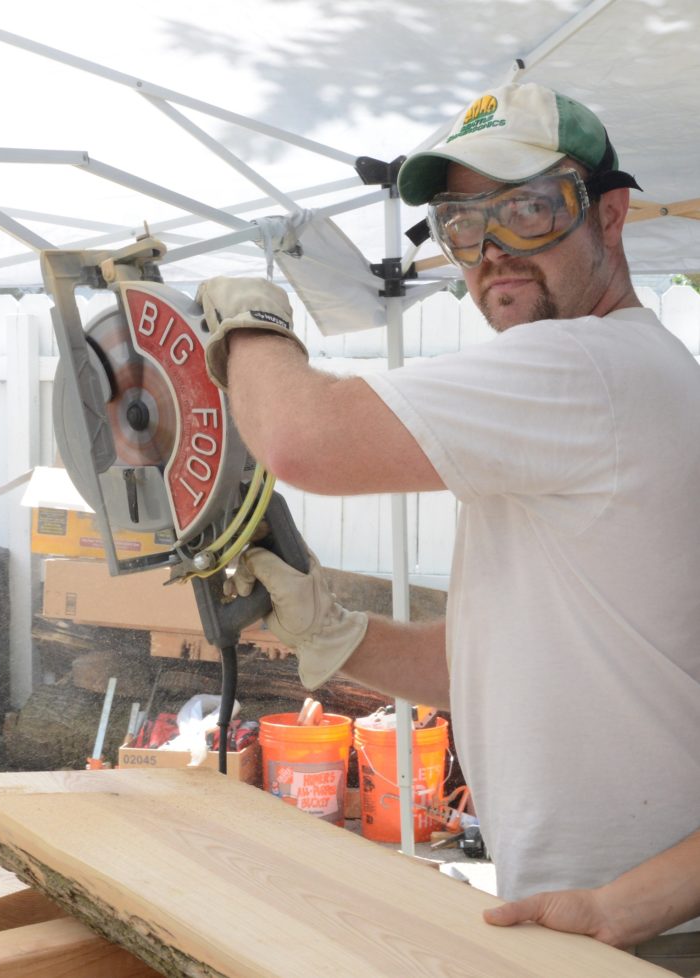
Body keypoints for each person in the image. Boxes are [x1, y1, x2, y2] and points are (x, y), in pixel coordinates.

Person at [194, 82, 700, 975]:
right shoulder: (621, 382)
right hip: (602, 921)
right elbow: (485, 666)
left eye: (529, 210)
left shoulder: (588, 363)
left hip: (649, 934)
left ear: (609, 216)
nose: (493, 251)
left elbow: (303, 439)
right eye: (463, 225)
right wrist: (332, 635)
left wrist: (246, 321)